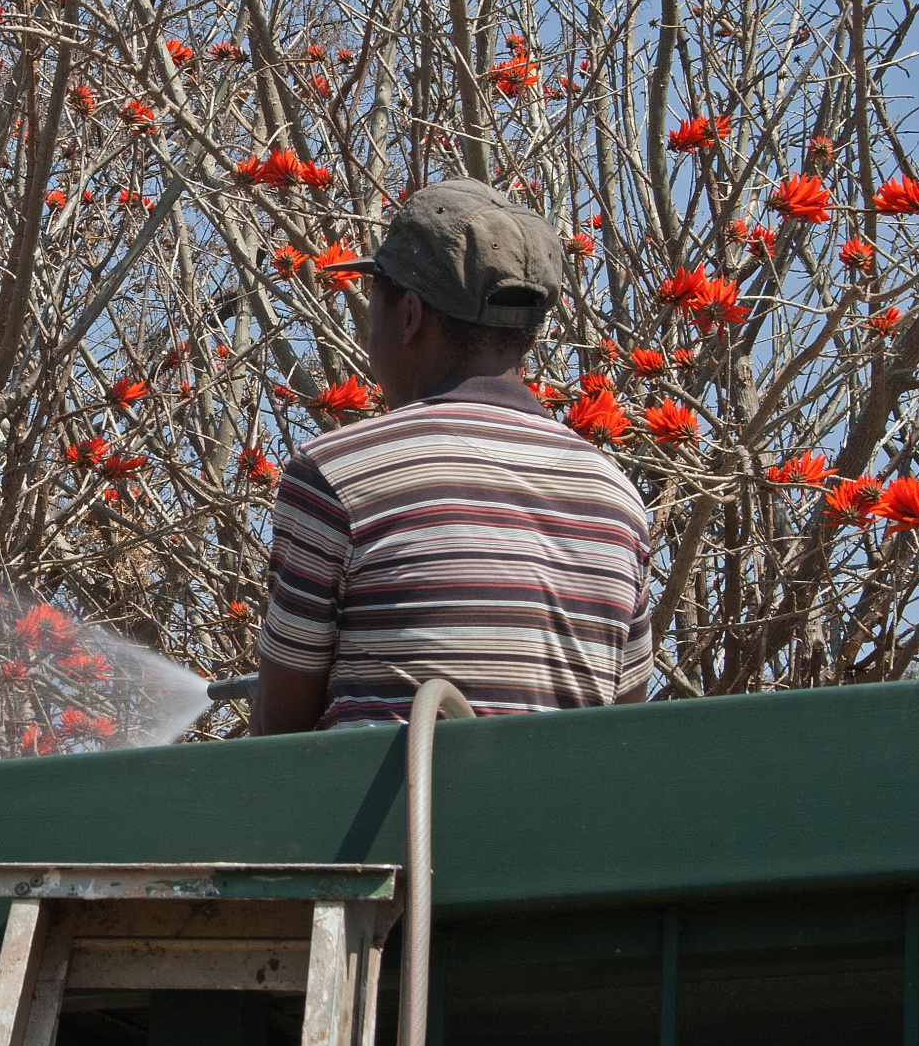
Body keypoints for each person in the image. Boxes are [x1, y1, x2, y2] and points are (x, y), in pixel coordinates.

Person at [252, 180, 652, 734]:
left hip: (398, 817)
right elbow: (627, 726)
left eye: (375, 310)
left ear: (410, 315)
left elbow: (281, 740)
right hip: (565, 819)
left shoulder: (336, 473)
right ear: (528, 336)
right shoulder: (615, 496)